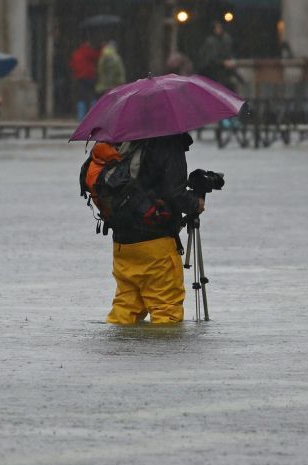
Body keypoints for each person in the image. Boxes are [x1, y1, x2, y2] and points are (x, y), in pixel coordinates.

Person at [105, 133, 205, 326]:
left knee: (126, 308)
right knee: (166, 312)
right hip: (156, 243)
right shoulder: (169, 141)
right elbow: (174, 193)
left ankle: (119, 354)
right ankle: (162, 358)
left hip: (123, 242)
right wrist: (195, 203)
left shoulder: (124, 139)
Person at [196, 20, 240, 89]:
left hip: (223, 71)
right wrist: (223, 63)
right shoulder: (210, 41)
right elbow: (210, 59)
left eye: (220, 28)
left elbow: (228, 53)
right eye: (217, 28)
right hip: (212, 71)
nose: (219, 30)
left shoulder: (226, 39)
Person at [69, 39, 100, 119]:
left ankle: (81, 116)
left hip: (80, 78)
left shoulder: (76, 53)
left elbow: (72, 65)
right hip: (89, 77)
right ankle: (94, 114)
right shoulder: (88, 51)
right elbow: (96, 56)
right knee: (92, 95)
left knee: (81, 96)